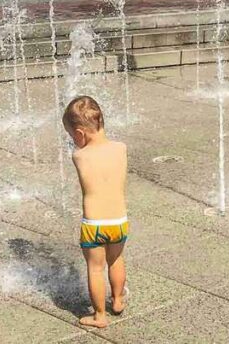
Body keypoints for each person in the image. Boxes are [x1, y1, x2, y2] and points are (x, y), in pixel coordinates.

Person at [62, 95, 128, 329]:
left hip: (94, 225)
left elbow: (85, 152)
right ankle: (118, 300)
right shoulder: (121, 148)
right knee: (116, 260)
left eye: (72, 137)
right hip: (120, 221)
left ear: (80, 134)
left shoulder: (79, 156)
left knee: (95, 268)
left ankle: (100, 315)